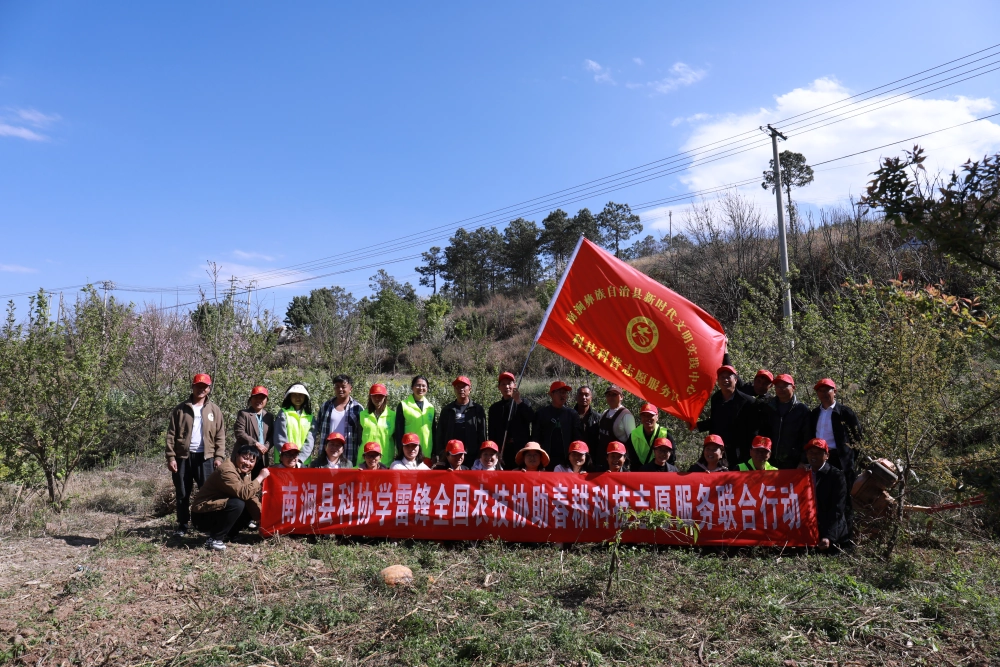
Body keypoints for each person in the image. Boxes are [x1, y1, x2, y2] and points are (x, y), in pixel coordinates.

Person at [165, 373, 226, 537]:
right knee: (182, 492)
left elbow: (220, 435)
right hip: (183, 457)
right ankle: (183, 525)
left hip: (206, 458)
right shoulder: (180, 409)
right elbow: (171, 435)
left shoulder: (214, 410)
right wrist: (171, 457)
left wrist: (218, 457)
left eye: (204, 387)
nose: (201, 389)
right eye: (198, 386)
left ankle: (206, 525)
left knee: (207, 493)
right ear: (192, 386)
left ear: (209, 389)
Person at [809, 378, 862, 542]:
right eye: (820, 390)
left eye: (827, 390)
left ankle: (845, 539)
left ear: (835, 392)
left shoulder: (845, 413)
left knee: (843, 500)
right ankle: (824, 537)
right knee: (821, 498)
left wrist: (849, 458)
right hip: (820, 460)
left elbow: (857, 438)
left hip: (840, 461)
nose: (824, 393)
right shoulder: (814, 414)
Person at [190, 445, 268, 551]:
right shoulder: (227, 470)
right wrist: (260, 477)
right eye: (245, 458)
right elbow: (244, 493)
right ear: (237, 455)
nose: (247, 463)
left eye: (251, 461)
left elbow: (251, 496)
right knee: (238, 503)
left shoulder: (244, 471)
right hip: (202, 515)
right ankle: (215, 539)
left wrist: (262, 521)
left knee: (248, 503)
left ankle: (230, 534)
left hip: (217, 508)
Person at [697, 365, 758, 467]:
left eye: (728, 377)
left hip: (739, 453)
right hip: (718, 452)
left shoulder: (748, 401)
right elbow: (716, 421)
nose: (725, 380)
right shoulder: (716, 398)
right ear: (718, 381)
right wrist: (697, 426)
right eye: (722, 377)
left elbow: (753, 431)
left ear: (735, 380)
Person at [805, 438, 849, 552]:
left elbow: (837, 509)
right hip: (807, 532)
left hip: (831, 534)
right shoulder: (802, 473)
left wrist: (828, 536)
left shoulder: (836, 476)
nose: (813, 456)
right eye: (811, 452)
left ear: (827, 456)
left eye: (818, 453)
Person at [312, 374, 363, 470]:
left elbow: (361, 434)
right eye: (337, 386)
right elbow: (319, 428)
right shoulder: (326, 406)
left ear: (350, 388)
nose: (340, 389)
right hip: (327, 455)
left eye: (343, 387)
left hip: (349, 453)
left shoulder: (357, 408)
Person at [531, 381, 584, 471]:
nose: (563, 395)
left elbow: (577, 438)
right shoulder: (541, 414)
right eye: (560, 392)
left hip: (567, 460)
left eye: (565, 393)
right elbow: (535, 438)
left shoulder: (572, 414)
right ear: (552, 394)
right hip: (546, 460)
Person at [763, 374, 812, 470]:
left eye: (785, 386)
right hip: (770, 460)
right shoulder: (769, 407)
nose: (781, 389)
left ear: (793, 388)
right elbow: (764, 433)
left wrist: (803, 460)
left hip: (794, 462)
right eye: (778, 386)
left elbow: (807, 437)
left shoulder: (802, 410)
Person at [488, 372, 534, 471]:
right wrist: (495, 451)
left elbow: (531, 418)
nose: (507, 387)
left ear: (515, 385)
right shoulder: (494, 408)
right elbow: (492, 433)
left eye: (509, 383)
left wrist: (518, 401)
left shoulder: (524, 403)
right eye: (503, 384)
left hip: (520, 449)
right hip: (502, 451)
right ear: (499, 387)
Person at [436, 376, 488, 463]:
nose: (461, 389)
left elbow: (482, 434)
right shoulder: (447, 410)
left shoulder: (477, 409)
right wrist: (441, 452)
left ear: (470, 389)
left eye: (463, 387)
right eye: (458, 387)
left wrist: (481, 453)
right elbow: (440, 433)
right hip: (451, 455)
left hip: (472, 456)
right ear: (454, 390)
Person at [232, 385, 273, 479]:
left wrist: (266, 446)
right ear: (251, 399)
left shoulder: (269, 416)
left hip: (262, 457)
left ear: (266, 400)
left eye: (262, 398)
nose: (259, 400)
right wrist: (256, 444)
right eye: (256, 397)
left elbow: (272, 435)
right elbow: (239, 433)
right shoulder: (244, 414)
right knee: (243, 482)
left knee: (260, 482)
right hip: (245, 457)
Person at [394, 375, 436, 463]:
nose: (421, 388)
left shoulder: (431, 407)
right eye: (418, 385)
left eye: (424, 386)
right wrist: (401, 451)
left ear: (427, 388)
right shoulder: (403, 405)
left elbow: (433, 431)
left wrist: (434, 453)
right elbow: (398, 432)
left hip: (426, 454)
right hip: (409, 454)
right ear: (412, 387)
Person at [272, 383, 315, 465]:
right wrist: (288, 458)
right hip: (284, 462)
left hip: (302, 462)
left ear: (305, 397)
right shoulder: (283, 413)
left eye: (300, 395)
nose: (298, 397)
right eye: (294, 395)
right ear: (289, 397)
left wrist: (300, 459)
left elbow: (310, 441)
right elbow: (279, 438)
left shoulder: (310, 417)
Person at [596, 385, 636, 470]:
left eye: (614, 394)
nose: (611, 397)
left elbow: (633, 441)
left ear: (621, 397)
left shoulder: (626, 415)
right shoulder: (605, 413)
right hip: (603, 460)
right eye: (608, 395)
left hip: (617, 462)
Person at [358, 383, 396, 467]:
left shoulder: (393, 416)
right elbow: (358, 438)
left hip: (385, 461)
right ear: (370, 397)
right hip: (366, 460)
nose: (377, 398)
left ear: (385, 397)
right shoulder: (362, 415)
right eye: (374, 396)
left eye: (380, 396)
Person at [626, 403, 672, 470]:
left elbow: (671, 459)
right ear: (641, 417)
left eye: (650, 415)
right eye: (644, 415)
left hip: (661, 472)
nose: (647, 418)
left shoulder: (665, 434)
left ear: (657, 417)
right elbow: (632, 459)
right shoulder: (633, 435)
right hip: (640, 472)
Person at [574, 386, 601, 451]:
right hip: (574, 454)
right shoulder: (570, 416)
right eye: (581, 394)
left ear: (591, 398)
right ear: (576, 397)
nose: (583, 397)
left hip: (593, 455)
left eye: (586, 395)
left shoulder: (598, 417)